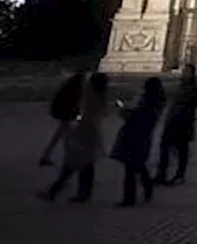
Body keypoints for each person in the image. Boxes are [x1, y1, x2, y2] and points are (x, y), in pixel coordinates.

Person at [41, 72, 108, 203]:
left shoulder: (91, 97)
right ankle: (82, 193)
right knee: (85, 165)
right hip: (91, 133)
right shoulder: (100, 96)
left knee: (73, 164)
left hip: (85, 132)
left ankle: (55, 191)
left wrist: (78, 123)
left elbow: (87, 115)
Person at [111, 77, 166, 207]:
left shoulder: (147, 103)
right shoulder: (157, 103)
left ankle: (129, 198)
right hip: (144, 136)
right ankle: (147, 189)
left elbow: (136, 116)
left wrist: (124, 111)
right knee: (139, 164)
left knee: (130, 167)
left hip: (134, 135)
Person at [156, 64, 197, 185]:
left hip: (184, 121)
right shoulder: (182, 84)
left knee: (181, 149)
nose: (184, 73)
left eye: (186, 71)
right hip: (173, 120)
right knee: (165, 147)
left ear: (192, 73)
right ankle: (162, 173)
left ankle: (179, 174)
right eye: (184, 71)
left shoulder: (194, 86)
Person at [40, 72, 85, 167]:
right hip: (65, 112)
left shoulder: (70, 84)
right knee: (66, 135)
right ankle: (67, 158)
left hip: (62, 111)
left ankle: (47, 156)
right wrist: (77, 114)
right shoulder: (76, 86)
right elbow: (75, 102)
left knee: (60, 134)